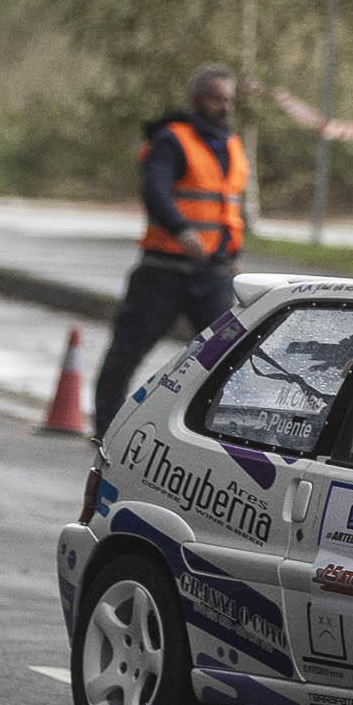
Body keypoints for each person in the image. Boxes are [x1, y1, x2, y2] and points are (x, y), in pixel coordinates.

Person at [92, 65, 250, 439]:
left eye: (229, 100)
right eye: (216, 99)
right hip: (163, 271)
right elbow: (156, 191)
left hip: (212, 273)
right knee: (126, 354)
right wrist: (182, 231)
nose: (224, 107)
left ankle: (215, 438)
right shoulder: (172, 140)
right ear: (196, 100)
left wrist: (230, 255)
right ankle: (105, 432)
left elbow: (227, 208)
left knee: (228, 359)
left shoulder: (232, 144)